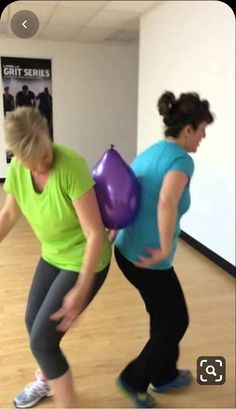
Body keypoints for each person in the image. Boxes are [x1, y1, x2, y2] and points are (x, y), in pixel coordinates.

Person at [0, 107, 111, 408]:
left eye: (47, 149)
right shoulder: (18, 172)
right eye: (37, 157)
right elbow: (9, 214)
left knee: (43, 341)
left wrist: (80, 289)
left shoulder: (71, 165)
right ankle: (48, 381)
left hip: (85, 256)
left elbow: (95, 235)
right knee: (32, 321)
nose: (47, 159)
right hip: (53, 254)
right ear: (19, 158)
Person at [110, 91, 214, 408]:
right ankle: (134, 379)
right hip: (148, 258)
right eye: (201, 130)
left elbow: (129, 191)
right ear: (187, 130)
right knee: (175, 320)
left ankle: (165, 373)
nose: (202, 137)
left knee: (163, 315)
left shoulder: (151, 152)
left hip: (129, 250)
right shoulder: (182, 159)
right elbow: (167, 201)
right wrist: (165, 247)